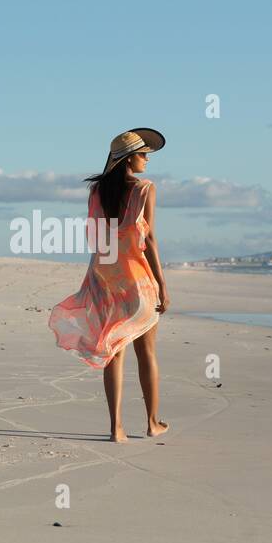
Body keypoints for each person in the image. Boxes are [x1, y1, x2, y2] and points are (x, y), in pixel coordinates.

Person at [48, 129, 170, 442]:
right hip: (137, 281)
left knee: (113, 352)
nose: (146, 160)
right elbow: (150, 239)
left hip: (104, 279)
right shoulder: (145, 189)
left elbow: (96, 239)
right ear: (129, 157)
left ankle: (116, 428)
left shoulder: (96, 192)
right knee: (147, 353)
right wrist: (162, 285)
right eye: (143, 154)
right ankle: (152, 422)